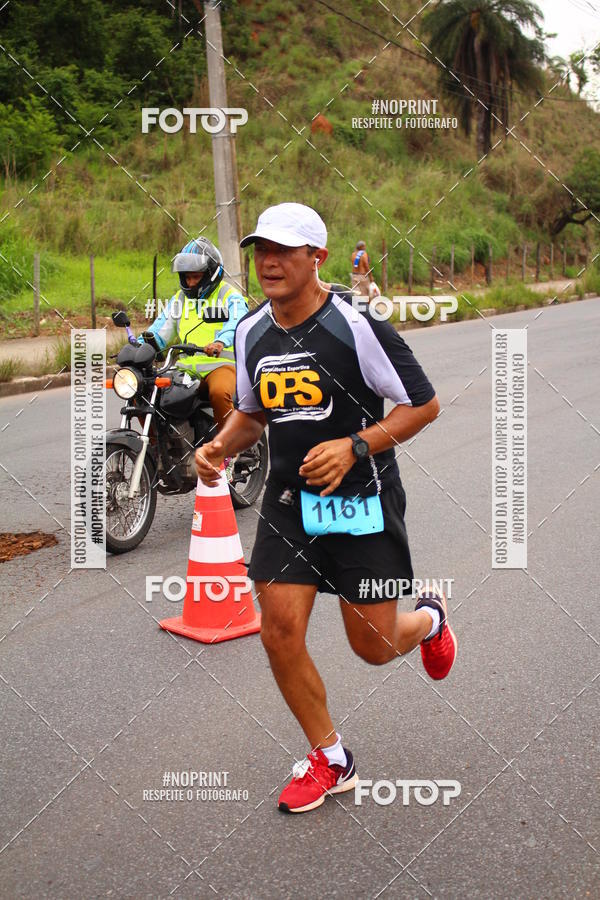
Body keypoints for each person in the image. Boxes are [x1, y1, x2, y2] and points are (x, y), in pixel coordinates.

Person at [195, 203, 457, 814]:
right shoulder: (251, 329)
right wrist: (220, 445)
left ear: (318, 259)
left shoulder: (357, 325)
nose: (269, 261)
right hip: (289, 503)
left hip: (360, 501)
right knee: (279, 630)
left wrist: (355, 445)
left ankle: (430, 619)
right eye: (261, 249)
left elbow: (423, 405)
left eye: (285, 250)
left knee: (374, 645)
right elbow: (256, 411)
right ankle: (330, 757)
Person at [141, 237, 248, 432]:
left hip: (223, 366)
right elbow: (158, 330)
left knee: (219, 392)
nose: (190, 283)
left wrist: (220, 342)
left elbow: (237, 323)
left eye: (195, 277)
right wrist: (139, 348)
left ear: (210, 274)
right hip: (187, 370)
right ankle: (157, 451)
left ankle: (228, 450)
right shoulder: (180, 299)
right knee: (145, 389)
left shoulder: (230, 296)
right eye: (186, 277)